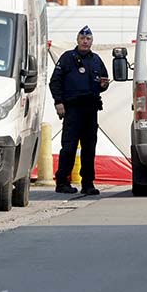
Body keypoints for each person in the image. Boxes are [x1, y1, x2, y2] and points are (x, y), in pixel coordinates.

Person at [49, 26, 110, 195]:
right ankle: (62, 182)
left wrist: (104, 85)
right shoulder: (68, 58)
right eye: (82, 38)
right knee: (69, 147)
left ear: (92, 41)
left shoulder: (96, 60)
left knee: (89, 148)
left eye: (88, 39)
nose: (85, 41)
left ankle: (88, 183)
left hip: (90, 109)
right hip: (72, 109)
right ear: (77, 40)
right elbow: (55, 82)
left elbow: (102, 82)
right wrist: (58, 102)